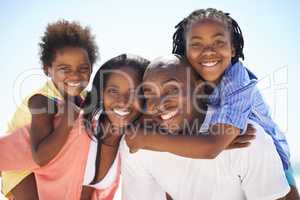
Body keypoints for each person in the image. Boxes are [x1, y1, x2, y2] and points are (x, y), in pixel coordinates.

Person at [122, 55, 290, 199]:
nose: (159, 104)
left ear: (200, 89)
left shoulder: (247, 140)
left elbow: (210, 147)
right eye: (149, 94)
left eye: (172, 89)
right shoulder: (139, 147)